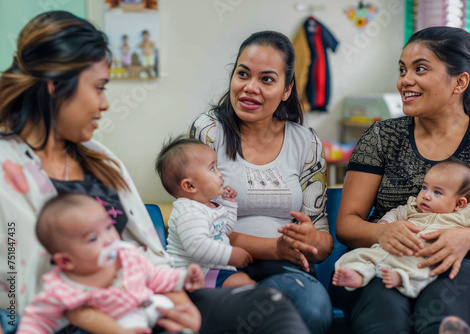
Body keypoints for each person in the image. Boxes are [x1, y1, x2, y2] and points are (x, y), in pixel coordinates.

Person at [0, 11, 310, 334]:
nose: (105, 104)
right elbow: (13, 299)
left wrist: (182, 306)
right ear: (55, 87)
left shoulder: (100, 161)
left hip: (145, 304)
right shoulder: (6, 171)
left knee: (271, 308)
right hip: (69, 322)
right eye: (99, 88)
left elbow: (151, 254)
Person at [329, 26, 470, 333]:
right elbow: (347, 224)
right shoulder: (381, 137)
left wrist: (468, 238)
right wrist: (382, 234)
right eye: (402, 69)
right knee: (385, 310)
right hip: (385, 259)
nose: (404, 80)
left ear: (459, 82)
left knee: (441, 306)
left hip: (468, 263)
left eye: (420, 69)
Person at [188, 30, 334, 334]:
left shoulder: (305, 143)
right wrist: (274, 248)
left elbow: (322, 238)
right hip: (219, 266)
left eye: (267, 79)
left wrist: (311, 242)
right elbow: (193, 227)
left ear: (286, 89)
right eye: (243, 74)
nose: (249, 88)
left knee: (311, 306)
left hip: (286, 270)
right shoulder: (209, 132)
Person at [18, 193, 205, 334]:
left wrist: (183, 277)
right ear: (65, 260)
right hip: (120, 323)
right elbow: (37, 320)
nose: (108, 240)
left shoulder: (127, 256)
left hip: (152, 304)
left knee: (170, 308)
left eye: (108, 227)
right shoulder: (61, 288)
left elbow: (153, 276)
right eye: (93, 239)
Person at [332, 158, 470, 298]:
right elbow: (395, 213)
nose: (425, 195)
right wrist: (383, 226)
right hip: (392, 247)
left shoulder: (465, 214)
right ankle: (356, 274)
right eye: (425, 187)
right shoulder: (412, 207)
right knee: (364, 255)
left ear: (459, 204)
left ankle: (401, 279)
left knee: (423, 271)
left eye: (437, 192)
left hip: (423, 256)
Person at [155, 137, 256, 288]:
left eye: (216, 167)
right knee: (244, 283)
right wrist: (229, 255)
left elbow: (224, 229)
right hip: (193, 275)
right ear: (190, 185)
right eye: (212, 168)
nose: (220, 173)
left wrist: (229, 204)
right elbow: (197, 245)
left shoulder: (208, 205)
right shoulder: (188, 211)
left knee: (245, 281)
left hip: (213, 269)